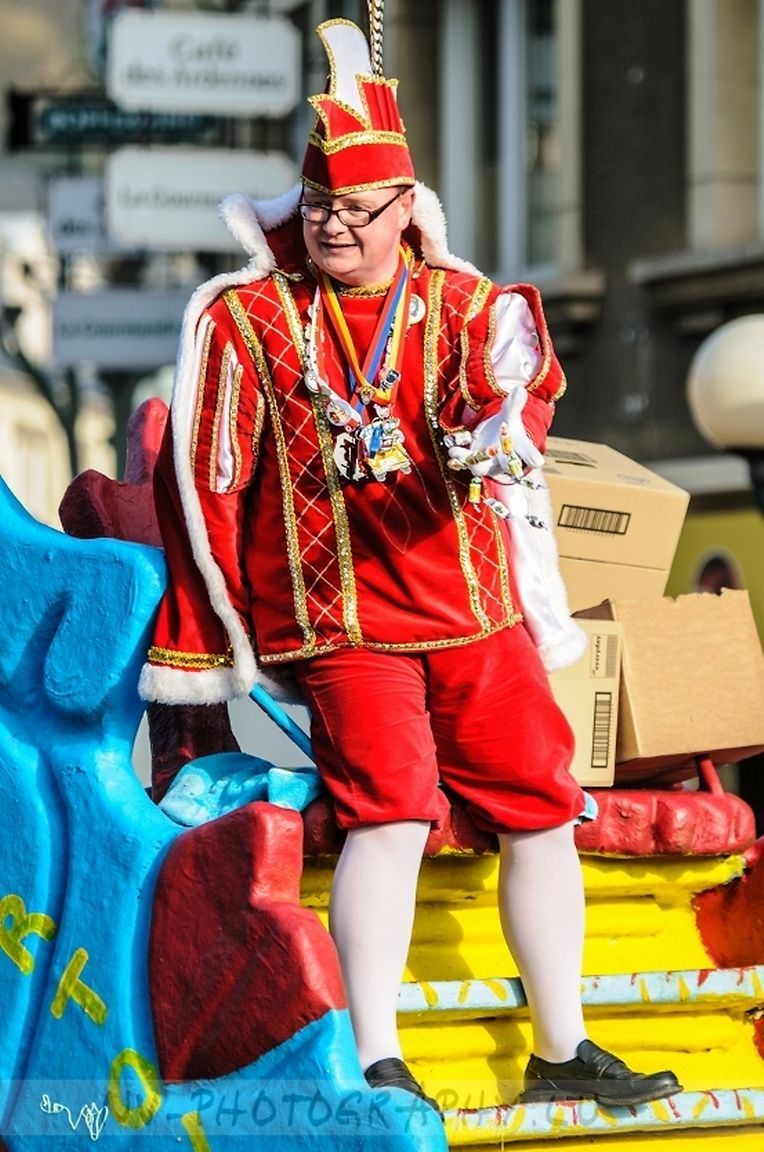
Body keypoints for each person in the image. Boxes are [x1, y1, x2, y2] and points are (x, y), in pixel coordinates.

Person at [140, 18, 681, 1114]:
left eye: (354, 207)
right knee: (387, 811)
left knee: (543, 807)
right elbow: (207, 482)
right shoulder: (249, 320)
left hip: (473, 609)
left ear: (405, 209)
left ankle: (562, 1047)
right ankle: (376, 1061)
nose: (332, 224)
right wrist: (218, 632)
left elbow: (518, 390)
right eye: (318, 204)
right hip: (342, 623)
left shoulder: (466, 305)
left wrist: (501, 431)